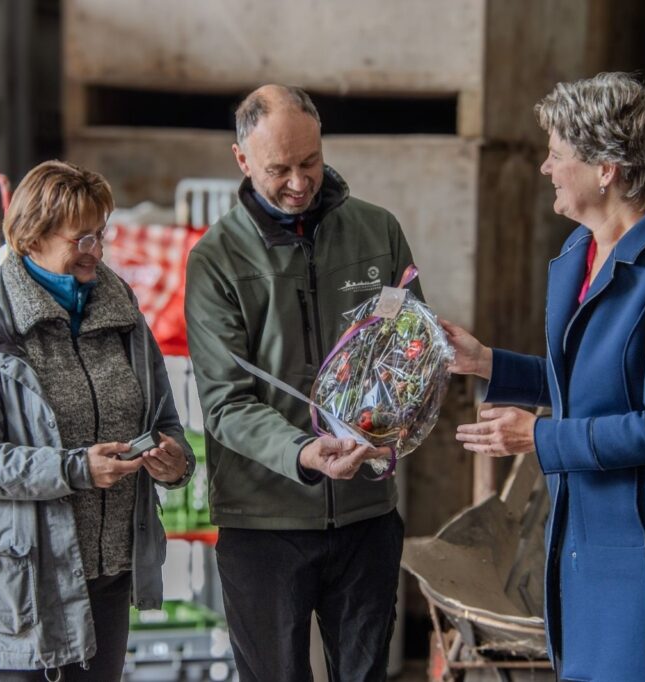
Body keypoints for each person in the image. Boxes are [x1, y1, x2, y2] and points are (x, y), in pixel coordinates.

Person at [442, 73, 645, 681]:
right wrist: (488, 363)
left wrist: (538, 438)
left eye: (557, 153)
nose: (545, 168)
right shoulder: (576, 258)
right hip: (587, 543)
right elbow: (588, 386)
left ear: (606, 168)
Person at [185, 84, 420, 681]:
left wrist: (392, 419)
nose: (299, 181)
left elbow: (406, 350)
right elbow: (225, 402)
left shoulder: (378, 233)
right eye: (279, 168)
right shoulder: (216, 260)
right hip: (265, 522)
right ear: (242, 161)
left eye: (310, 162)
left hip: (366, 514)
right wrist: (302, 452)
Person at [0, 160, 196, 681]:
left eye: (101, 235)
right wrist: (75, 469)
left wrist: (173, 462)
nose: (96, 251)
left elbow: (164, 418)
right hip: (26, 585)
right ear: (31, 236)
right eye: (81, 239)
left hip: (110, 574)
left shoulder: (122, 312)